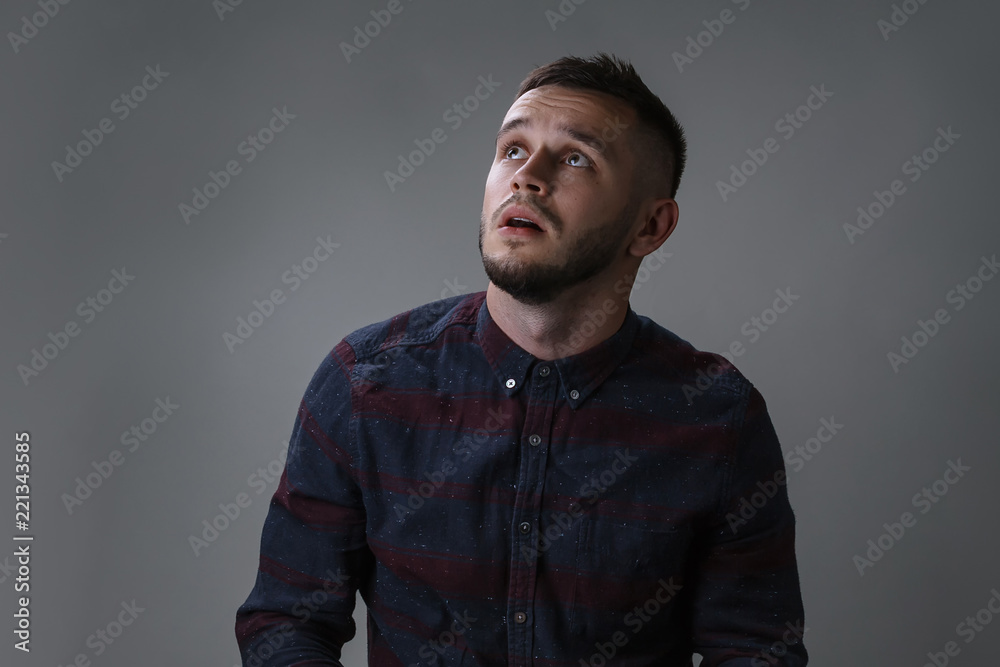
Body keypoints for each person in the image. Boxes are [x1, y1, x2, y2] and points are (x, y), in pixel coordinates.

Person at [236, 52, 808, 666]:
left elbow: (754, 651)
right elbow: (288, 620)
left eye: (575, 159)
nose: (526, 177)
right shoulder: (364, 383)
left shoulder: (717, 418)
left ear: (649, 226)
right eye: (512, 149)